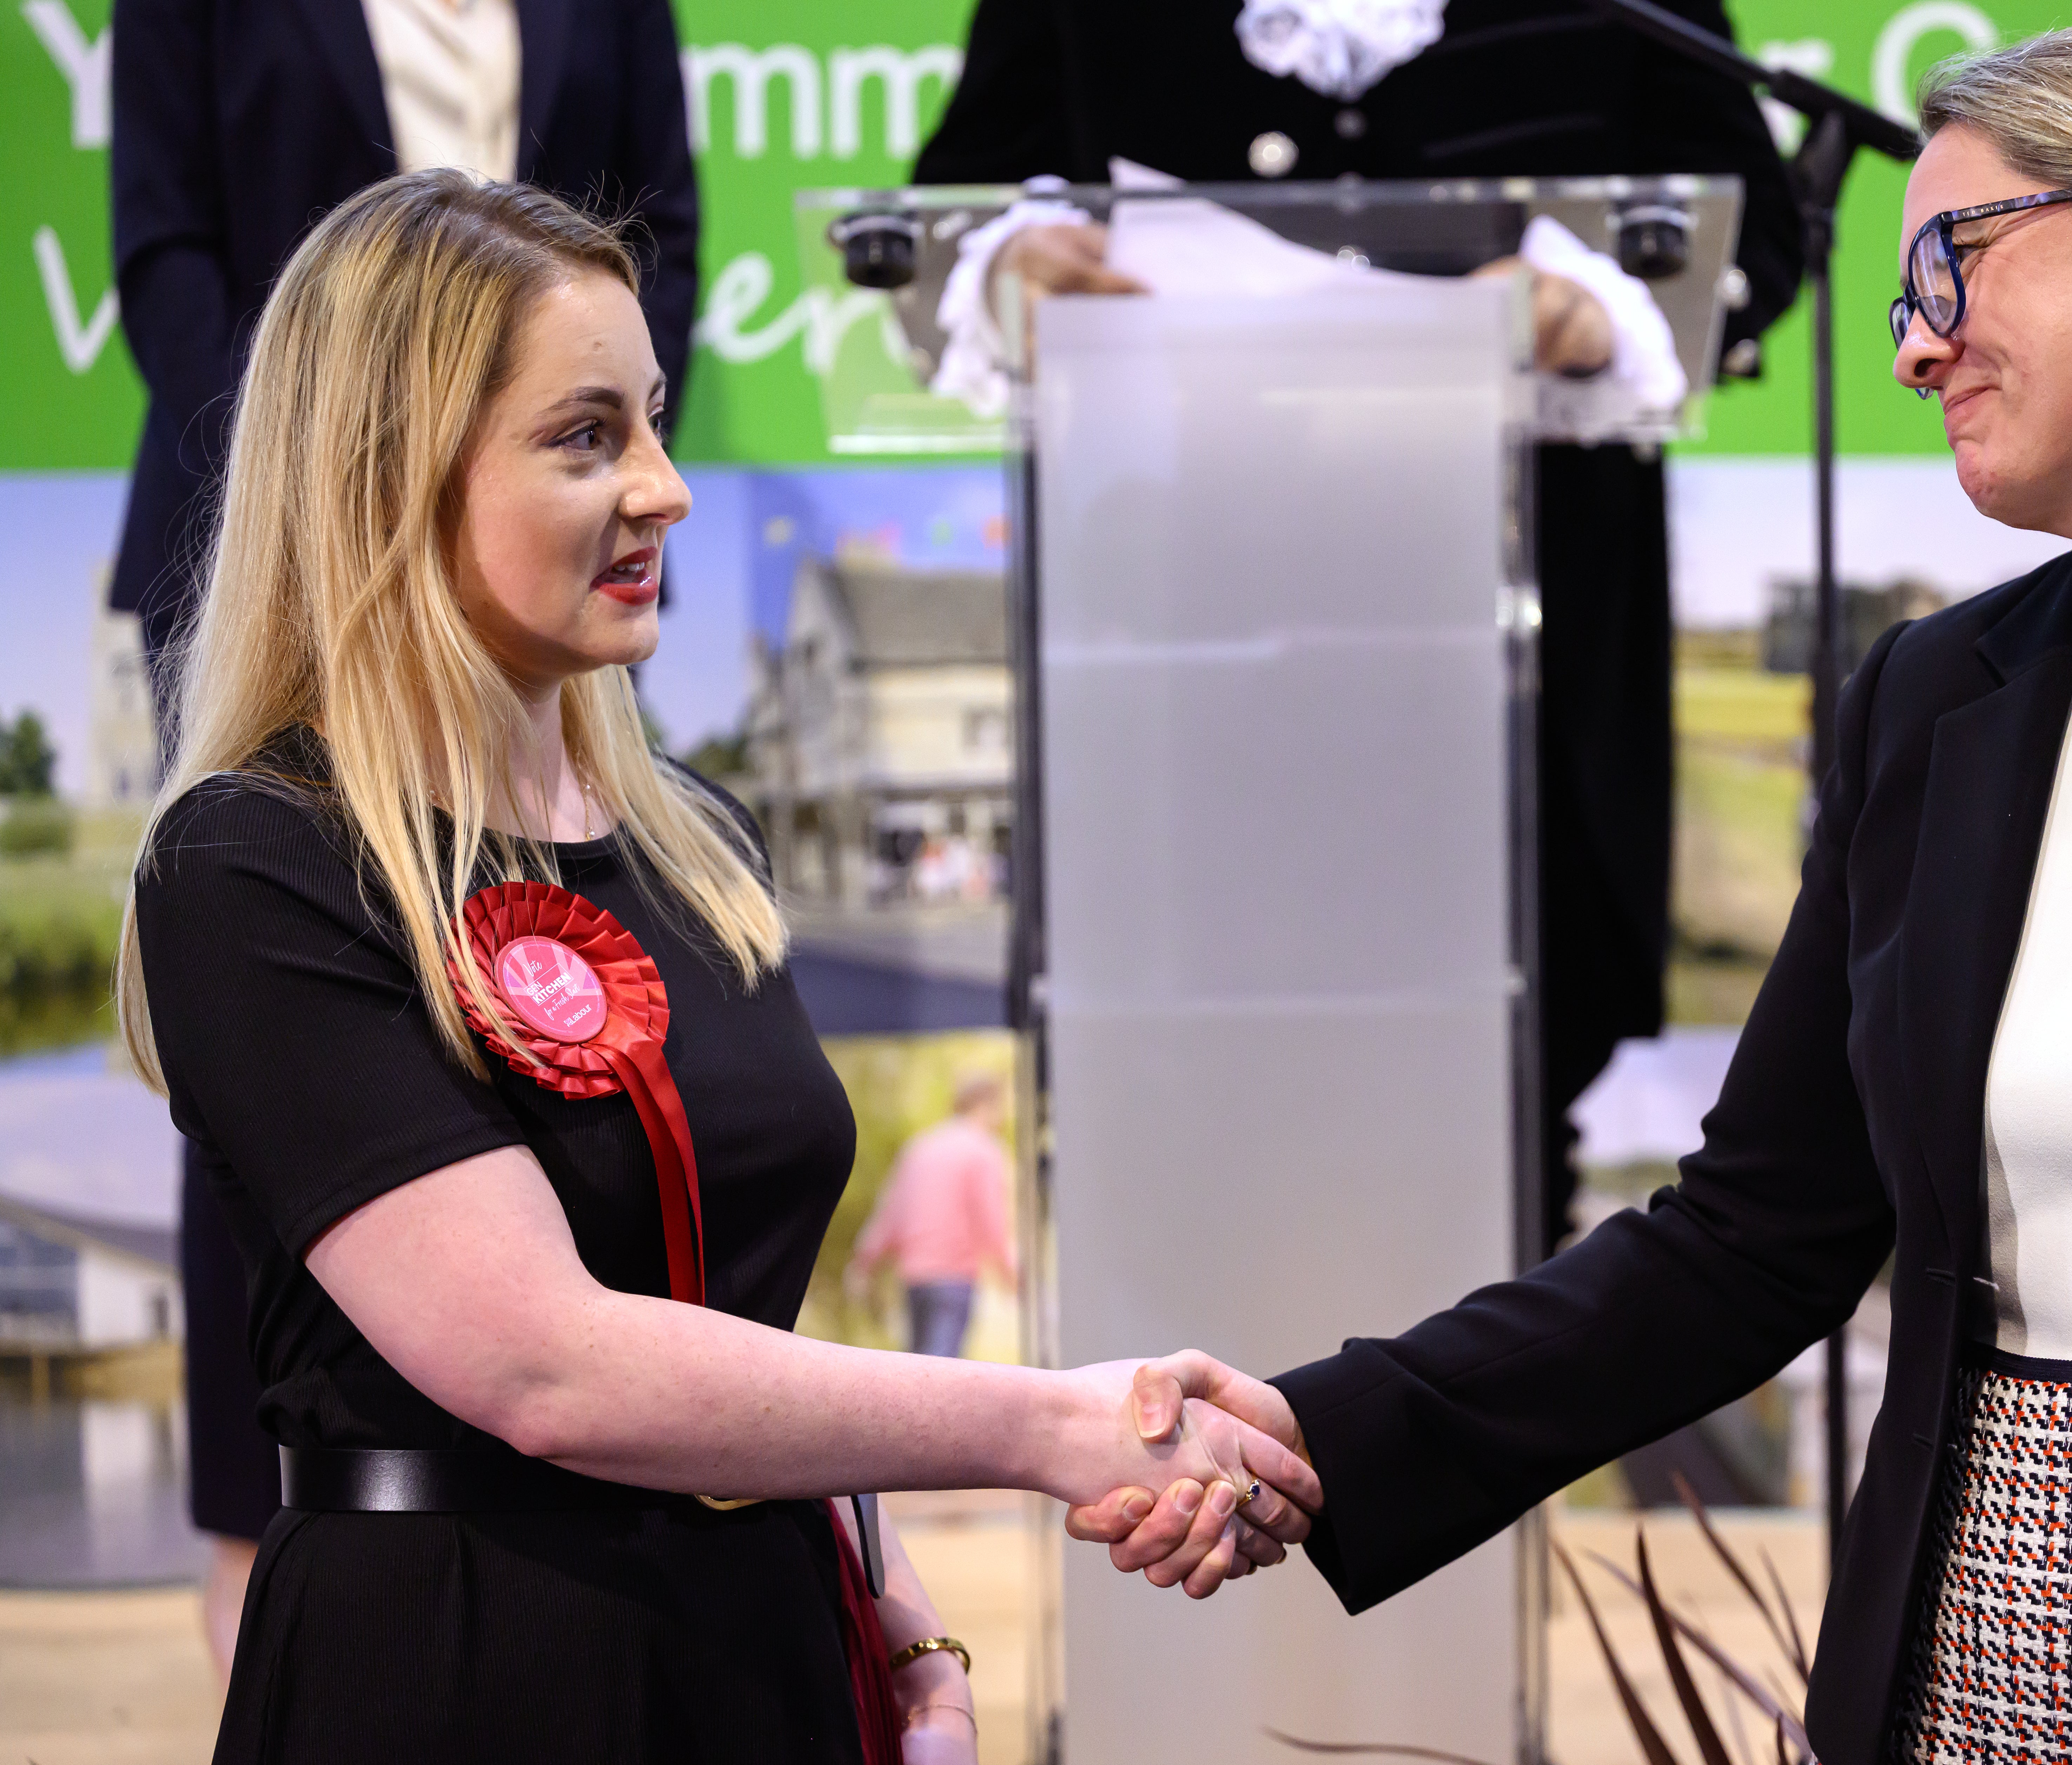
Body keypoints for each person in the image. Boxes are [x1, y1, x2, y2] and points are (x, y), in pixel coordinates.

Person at [1070, 18, 2072, 1763]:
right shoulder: (1933, 706)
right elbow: (1746, 1240)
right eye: (1905, 294)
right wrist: (1315, 1433)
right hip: (1976, 1675)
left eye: (1951, 264)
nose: (1912, 347)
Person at [118, 171, 1314, 1763]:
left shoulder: (702, 843)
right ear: (387, 474)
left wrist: (897, 1616)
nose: (665, 489)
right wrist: (1053, 1427)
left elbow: (746, 1306)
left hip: (764, 1652)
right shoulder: (255, 864)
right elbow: (543, 1363)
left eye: (653, 423)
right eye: (587, 436)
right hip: (463, 1675)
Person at [910, 0, 1806, 1245]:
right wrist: (1009, 271)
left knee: (1506, 1143)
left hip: (1522, 662)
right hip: (1187, 642)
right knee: (1189, 1153)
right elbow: (958, 203)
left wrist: (1594, 306)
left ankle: (1493, 1430)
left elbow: (1751, 226)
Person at [108, 0, 701, 1674]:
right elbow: (163, 247)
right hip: (303, 517)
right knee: (289, 1073)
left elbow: (674, 228)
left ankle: (660, 1487)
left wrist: (589, 459)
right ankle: (284, 1553)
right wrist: (350, 477)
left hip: (535, 532)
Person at [846, 1073, 1018, 1358]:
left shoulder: (920, 1147)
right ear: (986, 1105)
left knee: (918, 1367)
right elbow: (991, 1221)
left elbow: (891, 1214)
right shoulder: (983, 1150)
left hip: (915, 1280)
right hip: (953, 1278)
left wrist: (864, 1261)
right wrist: (1009, 1272)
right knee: (941, 1374)